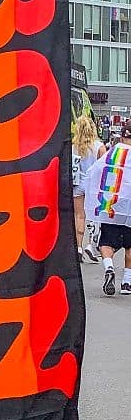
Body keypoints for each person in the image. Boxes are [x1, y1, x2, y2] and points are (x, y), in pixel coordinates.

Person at [84, 123, 131, 296]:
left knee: (107, 241)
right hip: (130, 207)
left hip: (111, 205)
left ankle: (109, 267)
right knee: (129, 244)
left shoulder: (114, 153)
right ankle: (127, 281)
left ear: (123, 136)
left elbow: (94, 171)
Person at [72, 115, 105, 263]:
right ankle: (90, 245)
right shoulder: (99, 146)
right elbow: (104, 168)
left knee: (79, 216)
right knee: (94, 216)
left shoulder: (73, 147)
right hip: (94, 185)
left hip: (78, 183)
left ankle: (78, 247)